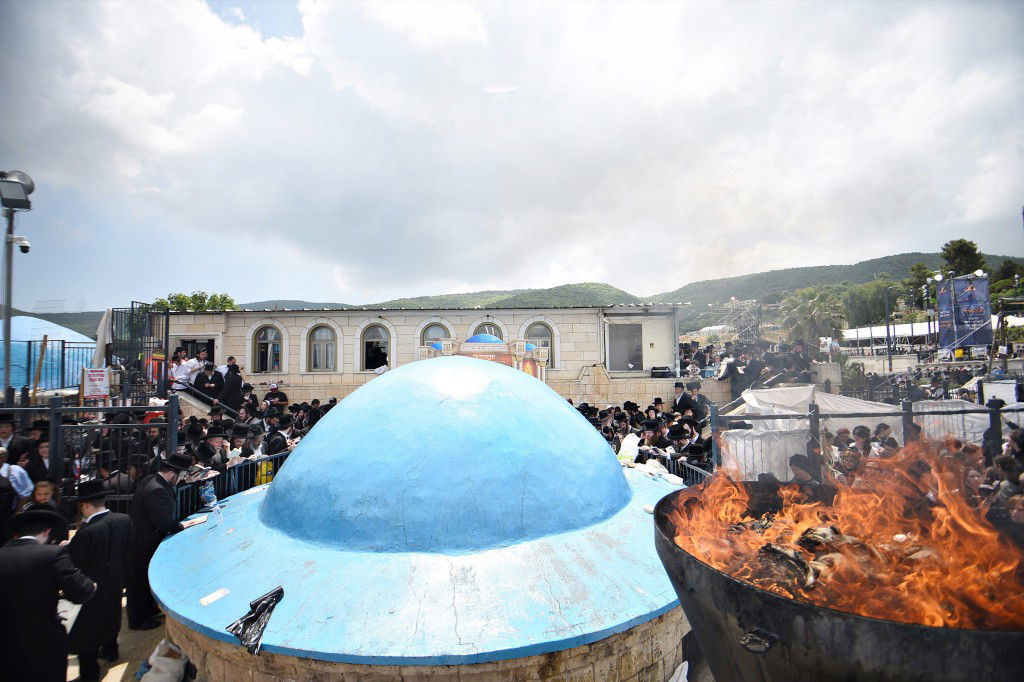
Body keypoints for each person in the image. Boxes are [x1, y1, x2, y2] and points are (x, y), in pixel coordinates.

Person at [0, 507, 95, 682]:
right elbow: (81, 592)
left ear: (15, 535)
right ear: (46, 532)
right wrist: (91, 586)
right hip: (45, 639)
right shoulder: (53, 554)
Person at [67, 479, 133, 682]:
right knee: (112, 613)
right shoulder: (124, 520)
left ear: (85, 505)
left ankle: (89, 674)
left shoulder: (86, 532)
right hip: (116, 578)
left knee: (87, 628)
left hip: (92, 581)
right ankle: (111, 649)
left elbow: (74, 561)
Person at [124, 452, 197, 630]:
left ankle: (147, 612)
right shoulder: (157, 490)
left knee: (141, 582)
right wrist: (182, 526)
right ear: (173, 472)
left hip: (141, 538)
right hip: (143, 542)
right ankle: (139, 620)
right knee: (139, 583)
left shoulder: (152, 480)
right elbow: (163, 522)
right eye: (181, 475)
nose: (181, 478)